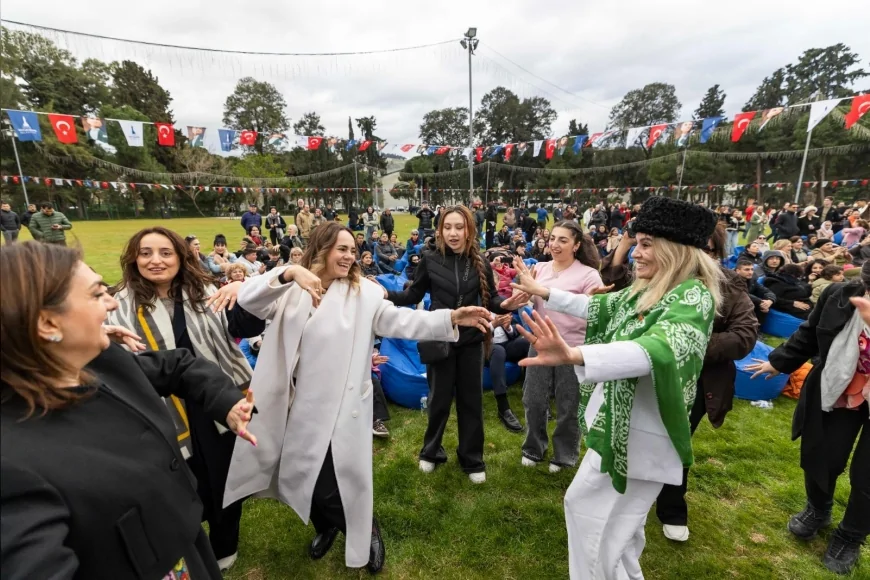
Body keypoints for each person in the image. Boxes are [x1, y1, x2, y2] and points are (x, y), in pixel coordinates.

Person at [217, 222, 491, 574]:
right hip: (289, 402)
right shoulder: (291, 287)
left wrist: (449, 317)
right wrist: (288, 273)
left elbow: (401, 321)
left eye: (352, 250)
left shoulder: (364, 294)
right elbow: (249, 302)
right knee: (295, 473)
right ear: (321, 249)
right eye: (341, 249)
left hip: (337, 404)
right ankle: (326, 525)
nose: (349, 256)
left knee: (330, 480)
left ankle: (365, 529)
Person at [0, 242, 256, 579]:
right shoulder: (11, 464)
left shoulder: (100, 361)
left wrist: (227, 402)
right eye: (96, 295)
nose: (111, 303)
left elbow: (177, 366)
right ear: (47, 324)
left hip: (185, 546)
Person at [510, 196, 721, 580]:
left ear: (674, 249)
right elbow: (599, 308)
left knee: (598, 525)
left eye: (645, 244)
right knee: (616, 531)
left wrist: (574, 355)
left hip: (643, 438)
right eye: (636, 243)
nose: (634, 253)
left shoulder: (692, 296)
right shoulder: (650, 289)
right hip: (620, 430)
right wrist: (544, 292)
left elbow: (656, 349)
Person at [107, 227, 256, 571]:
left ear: (180, 257)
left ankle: (224, 544)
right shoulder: (119, 303)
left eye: (165, 252)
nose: (155, 260)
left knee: (223, 478)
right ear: (134, 259)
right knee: (177, 483)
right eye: (146, 253)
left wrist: (246, 292)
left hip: (213, 402)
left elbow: (240, 328)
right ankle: (187, 544)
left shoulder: (203, 291)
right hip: (160, 407)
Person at [386, 205, 524, 483]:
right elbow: (413, 294)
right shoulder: (429, 259)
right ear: (440, 230)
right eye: (447, 227)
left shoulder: (479, 261)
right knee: (438, 400)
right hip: (440, 339)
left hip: (472, 342)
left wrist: (507, 304)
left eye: (459, 227)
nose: (453, 233)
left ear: (469, 230)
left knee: (471, 402)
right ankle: (431, 451)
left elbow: (492, 299)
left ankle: (472, 458)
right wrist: (384, 294)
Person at [747, 264, 869, 575]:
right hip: (839, 388)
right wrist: (780, 361)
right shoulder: (839, 294)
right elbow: (811, 332)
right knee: (822, 454)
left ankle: (851, 536)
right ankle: (818, 508)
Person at [654, 224, 757, 542]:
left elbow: (745, 334)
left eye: (707, 249)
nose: (698, 255)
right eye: (691, 246)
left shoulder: (729, 285)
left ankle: (672, 508)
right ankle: (631, 491)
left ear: (717, 253)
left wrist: (689, 343)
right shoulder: (661, 274)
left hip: (698, 379)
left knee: (676, 440)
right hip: (651, 372)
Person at [519, 221, 603, 474]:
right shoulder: (540, 268)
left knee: (569, 403)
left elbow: (593, 309)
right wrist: (519, 299)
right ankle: (533, 447)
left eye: (563, 240)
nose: (555, 244)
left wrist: (543, 292)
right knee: (533, 399)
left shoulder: (589, 274)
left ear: (576, 245)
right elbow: (527, 300)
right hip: (540, 344)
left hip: (572, 347)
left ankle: (565, 455)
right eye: (553, 238)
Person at [488, 313, 530, 432]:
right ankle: (503, 408)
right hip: (486, 346)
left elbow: (515, 329)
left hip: (507, 344)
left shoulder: (500, 307)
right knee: (498, 351)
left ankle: (533, 395)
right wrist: (492, 325)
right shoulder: (476, 306)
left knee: (527, 343)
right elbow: (472, 334)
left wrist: (508, 328)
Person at [736, 259, 776, 328]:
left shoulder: (752, 280)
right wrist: (761, 302)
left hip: (748, 303)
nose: (750, 272)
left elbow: (766, 291)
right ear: (738, 271)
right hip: (734, 305)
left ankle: (757, 329)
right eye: (747, 270)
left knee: (764, 303)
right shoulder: (732, 280)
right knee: (758, 303)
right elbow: (742, 294)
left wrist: (770, 300)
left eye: (752, 269)